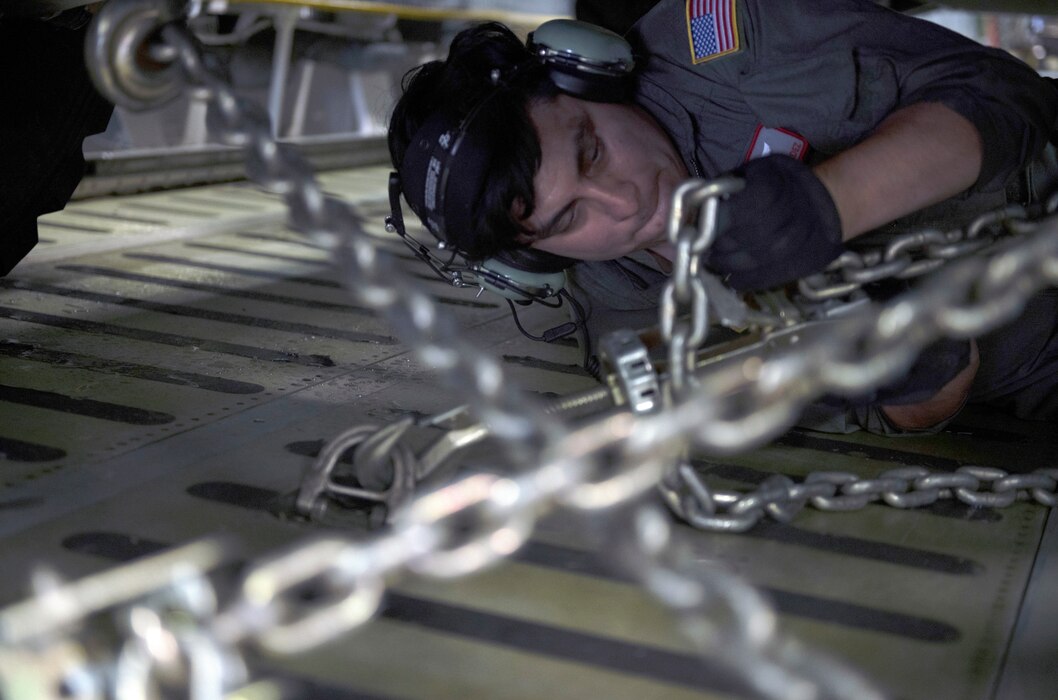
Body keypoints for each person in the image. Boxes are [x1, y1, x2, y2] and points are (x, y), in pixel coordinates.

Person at [387, 0, 1058, 433]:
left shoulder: (723, 45)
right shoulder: (640, 332)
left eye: (591, 150)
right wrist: (920, 359)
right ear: (534, 260)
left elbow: (999, 90)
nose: (625, 202)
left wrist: (831, 199)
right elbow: (914, 415)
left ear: (594, 73)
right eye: (568, 221)